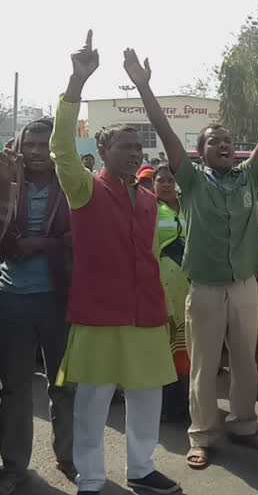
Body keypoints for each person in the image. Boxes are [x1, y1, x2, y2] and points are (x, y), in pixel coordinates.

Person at [123, 48, 258, 470]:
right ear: (199, 153)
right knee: (205, 366)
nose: (223, 145)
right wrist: (143, 85)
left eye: (227, 142)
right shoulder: (190, 181)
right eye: (213, 142)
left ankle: (243, 424)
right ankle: (202, 434)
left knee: (245, 363)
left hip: (244, 286)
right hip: (203, 289)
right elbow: (165, 130)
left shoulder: (249, 176)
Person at [51, 31, 178, 495]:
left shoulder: (148, 200)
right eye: (123, 146)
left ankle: (141, 469)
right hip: (99, 314)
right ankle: (90, 479)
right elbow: (62, 148)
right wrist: (76, 81)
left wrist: (162, 307)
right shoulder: (84, 189)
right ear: (102, 151)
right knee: (93, 400)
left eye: (136, 148)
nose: (133, 152)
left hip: (144, 313)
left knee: (147, 397)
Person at [0, 118, 76, 494]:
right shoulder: (7, 184)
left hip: (58, 298)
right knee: (14, 387)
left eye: (44, 145)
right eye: (30, 144)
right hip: (12, 299)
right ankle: (13, 465)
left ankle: (68, 456)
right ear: (20, 144)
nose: (36, 152)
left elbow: (78, 236)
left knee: (63, 383)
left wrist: (43, 244)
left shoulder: (70, 186)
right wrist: (14, 243)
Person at [153, 165, 190, 423]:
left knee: (188, 344)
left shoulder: (190, 207)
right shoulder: (148, 208)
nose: (166, 184)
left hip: (190, 282)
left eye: (170, 180)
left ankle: (188, 404)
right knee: (164, 345)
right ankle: (166, 406)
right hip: (162, 283)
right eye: (161, 180)